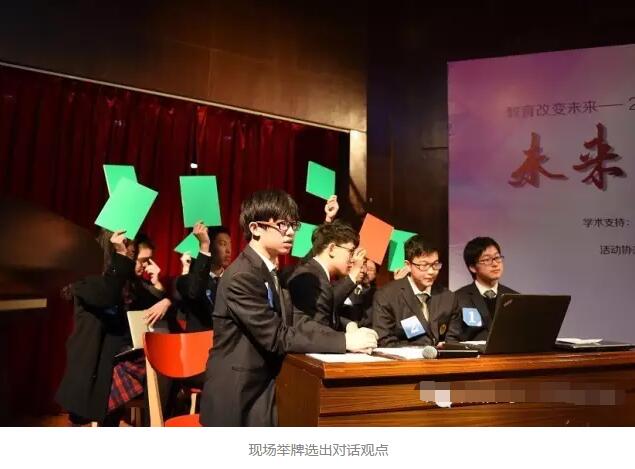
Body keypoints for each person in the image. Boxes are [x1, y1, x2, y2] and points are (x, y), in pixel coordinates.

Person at [199, 190, 377, 426]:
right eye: (283, 225)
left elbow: (300, 303)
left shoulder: (269, 270)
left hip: (266, 388)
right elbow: (277, 337)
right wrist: (345, 342)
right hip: (239, 395)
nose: (291, 232)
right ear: (255, 228)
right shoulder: (242, 276)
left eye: (294, 225)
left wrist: (347, 331)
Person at [56, 230, 170, 425]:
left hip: (119, 358)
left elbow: (148, 305)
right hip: (95, 364)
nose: (132, 259)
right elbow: (107, 294)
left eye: (132, 253)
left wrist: (164, 297)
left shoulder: (126, 281)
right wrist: (121, 255)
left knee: (162, 363)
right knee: (90, 414)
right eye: (130, 253)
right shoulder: (87, 277)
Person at [373, 235, 455, 347]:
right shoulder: (387, 296)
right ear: (408, 265)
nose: (431, 271)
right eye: (424, 265)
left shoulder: (448, 297)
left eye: (435, 264)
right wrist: (423, 351)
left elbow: (453, 338)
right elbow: (385, 341)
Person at [287, 220, 366, 331]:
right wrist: (348, 339)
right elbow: (315, 331)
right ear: (332, 249)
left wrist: (348, 325)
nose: (353, 259)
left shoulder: (318, 274)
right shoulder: (309, 279)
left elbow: (326, 312)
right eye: (351, 252)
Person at [446, 237, 518, 342]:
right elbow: (451, 339)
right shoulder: (458, 298)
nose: (495, 264)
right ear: (472, 267)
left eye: (497, 257)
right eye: (487, 260)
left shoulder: (515, 298)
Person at [176, 224, 232, 331]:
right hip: (199, 339)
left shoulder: (234, 281)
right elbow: (195, 291)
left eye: (230, 244)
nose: (228, 250)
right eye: (222, 244)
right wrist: (204, 245)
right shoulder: (186, 280)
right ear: (210, 246)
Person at [339, 259, 378, 328]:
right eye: (363, 267)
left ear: (375, 274)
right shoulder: (343, 287)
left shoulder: (377, 294)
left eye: (370, 269)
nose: (366, 272)